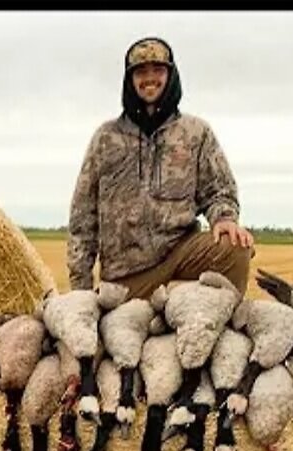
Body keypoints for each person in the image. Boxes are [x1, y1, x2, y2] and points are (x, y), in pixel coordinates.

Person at [66, 36, 255, 299]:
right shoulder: (105, 138)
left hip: (180, 254)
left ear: (171, 75)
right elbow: (82, 218)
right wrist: (80, 289)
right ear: (130, 81)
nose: (150, 78)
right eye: (141, 72)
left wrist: (224, 218)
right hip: (127, 275)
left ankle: (222, 323)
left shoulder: (195, 133)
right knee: (115, 328)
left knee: (234, 245)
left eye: (158, 70)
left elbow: (219, 191)